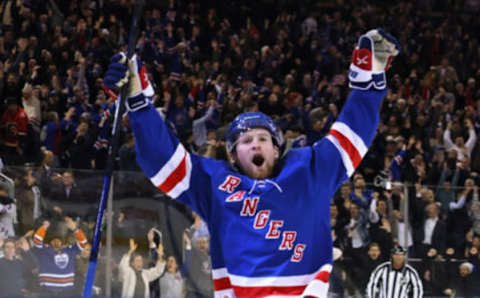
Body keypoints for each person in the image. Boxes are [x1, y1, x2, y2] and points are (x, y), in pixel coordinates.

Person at [104, 29, 400, 297]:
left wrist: (367, 78)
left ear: (277, 148)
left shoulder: (310, 170)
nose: (255, 143)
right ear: (233, 155)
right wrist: (139, 103)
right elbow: (162, 160)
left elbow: (353, 132)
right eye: (245, 142)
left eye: (263, 138)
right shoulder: (214, 182)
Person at [32, 217, 88, 296]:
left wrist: (75, 229)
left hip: (66, 292)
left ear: (62, 242)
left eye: (59, 240)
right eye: (54, 239)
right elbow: (37, 240)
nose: (57, 241)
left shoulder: (69, 250)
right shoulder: (43, 250)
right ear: (49, 241)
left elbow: (83, 242)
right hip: (47, 292)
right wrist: (44, 227)